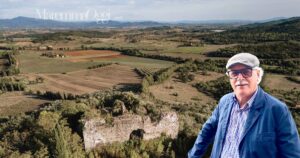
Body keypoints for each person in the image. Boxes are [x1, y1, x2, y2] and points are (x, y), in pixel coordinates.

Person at [188, 53, 300, 158]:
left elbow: (291, 154)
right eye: (234, 73)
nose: (240, 77)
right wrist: (194, 156)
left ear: (258, 75)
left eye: (246, 72)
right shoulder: (224, 101)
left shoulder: (277, 110)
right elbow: (207, 130)